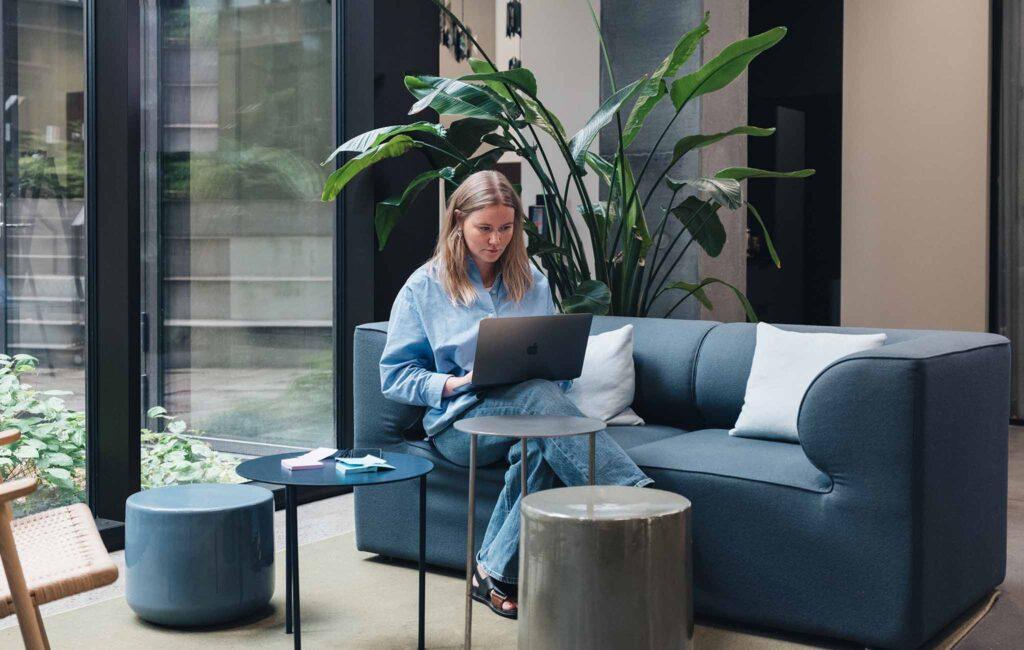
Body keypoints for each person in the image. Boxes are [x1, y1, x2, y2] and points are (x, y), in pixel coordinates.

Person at [379, 170, 651, 619]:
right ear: (458, 223)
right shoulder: (423, 288)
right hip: (461, 424)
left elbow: (554, 372)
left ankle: (492, 572)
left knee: (542, 442)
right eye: (484, 228)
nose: (496, 240)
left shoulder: (533, 280)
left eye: (506, 228)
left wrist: (546, 374)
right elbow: (395, 376)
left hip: (528, 414)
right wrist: (454, 382)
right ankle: (629, 496)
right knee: (540, 405)